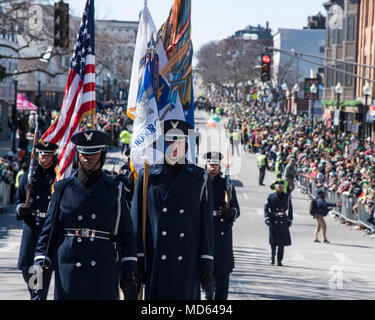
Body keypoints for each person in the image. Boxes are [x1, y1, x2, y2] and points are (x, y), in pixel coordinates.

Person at [34, 130, 137, 300]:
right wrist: (36, 283)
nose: (87, 158)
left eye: (94, 153)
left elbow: (126, 237)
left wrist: (130, 275)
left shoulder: (114, 190)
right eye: (83, 153)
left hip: (102, 269)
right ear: (77, 155)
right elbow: (46, 239)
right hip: (69, 269)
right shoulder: (62, 189)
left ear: (102, 155)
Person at [131, 120, 214, 300]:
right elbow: (137, 222)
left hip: (187, 261)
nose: (174, 146)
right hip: (156, 262)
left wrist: (207, 261)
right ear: (162, 144)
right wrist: (138, 261)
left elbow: (205, 224)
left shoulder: (200, 178)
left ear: (186, 144)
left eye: (179, 141)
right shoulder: (148, 177)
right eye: (169, 141)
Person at [16, 141, 58, 300]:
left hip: (48, 227)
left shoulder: (57, 176)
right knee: (28, 268)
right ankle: (36, 293)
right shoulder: (29, 175)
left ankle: (38, 296)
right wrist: (22, 209)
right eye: (41, 154)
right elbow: (19, 200)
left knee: (41, 268)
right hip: (32, 226)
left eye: (47, 155)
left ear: (53, 155)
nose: (44, 158)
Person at [202, 151, 240, 300]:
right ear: (206, 164)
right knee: (206, 278)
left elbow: (237, 209)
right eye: (211, 164)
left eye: (216, 165)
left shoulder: (227, 184)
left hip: (222, 232)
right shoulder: (200, 182)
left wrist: (231, 212)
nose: (213, 168)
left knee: (223, 276)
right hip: (205, 228)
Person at [264, 180, 293, 266]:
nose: (280, 188)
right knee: (273, 241)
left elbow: (290, 208)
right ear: (275, 187)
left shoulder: (287, 197)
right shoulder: (271, 196)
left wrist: (289, 219)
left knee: (281, 242)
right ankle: (272, 256)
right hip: (273, 220)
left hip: (283, 220)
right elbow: (266, 208)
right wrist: (267, 218)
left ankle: (279, 260)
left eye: (281, 187)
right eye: (278, 186)